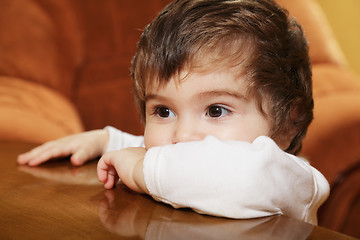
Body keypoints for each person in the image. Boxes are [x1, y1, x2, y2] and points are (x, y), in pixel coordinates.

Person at [17, 0, 329, 224]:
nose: (182, 135)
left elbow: (236, 175)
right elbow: (163, 150)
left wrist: (141, 170)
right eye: (164, 111)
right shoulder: (180, 151)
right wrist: (110, 142)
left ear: (289, 123)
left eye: (216, 110)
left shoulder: (293, 181)